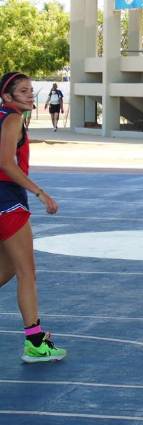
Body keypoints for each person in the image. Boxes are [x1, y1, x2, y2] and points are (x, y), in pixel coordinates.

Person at [0, 72, 64, 363]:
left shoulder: (5, 116)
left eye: (30, 90)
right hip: (7, 201)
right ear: (8, 96)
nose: (30, 95)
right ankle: (35, 343)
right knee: (27, 272)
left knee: (10, 268)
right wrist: (40, 193)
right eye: (23, 91)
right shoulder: (12, 119)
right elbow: (5, 164)